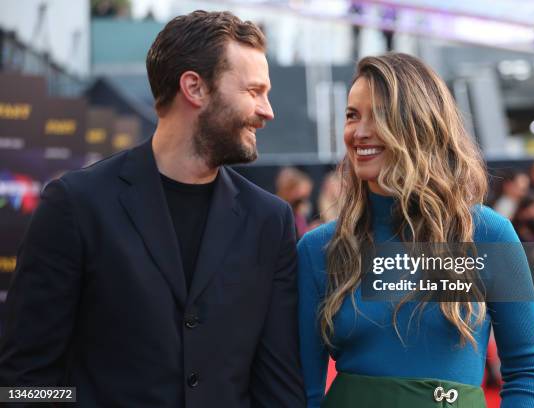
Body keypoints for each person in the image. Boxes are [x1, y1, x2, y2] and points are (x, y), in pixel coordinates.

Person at [0, 10, 306, 407]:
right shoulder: (77, 205)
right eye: (253, 91)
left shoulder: (270, 221)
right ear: (195, 88)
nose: (268, 111)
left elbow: (278, 388)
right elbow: (25, 379)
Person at [297, 53, 534, 407]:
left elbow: (527, 370)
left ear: (419, 124)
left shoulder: (487, 234)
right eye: (352, 115)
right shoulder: (318, 249)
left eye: (380, 115)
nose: (359, 131)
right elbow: (304, 392)